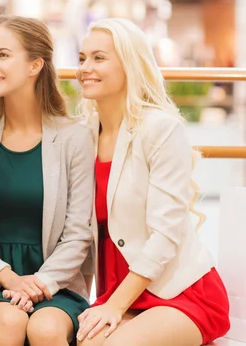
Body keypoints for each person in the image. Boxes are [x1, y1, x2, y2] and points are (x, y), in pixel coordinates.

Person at [75, 18, 230, 346]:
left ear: (130, 64)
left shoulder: (160, 129)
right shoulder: (83, 134)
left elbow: (165, 234)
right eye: (82, 58)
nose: (85, 68)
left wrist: (115, 306)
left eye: (99, 58)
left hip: (179, 290)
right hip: (119, 291)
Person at [0, 15, 94, 346]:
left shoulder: (74, 138)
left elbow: (78, 234)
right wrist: (8, 279)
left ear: (35, 65)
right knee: (10, 322)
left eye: (2, 55)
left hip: (55, 284)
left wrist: (38, 284)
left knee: (45, 330)